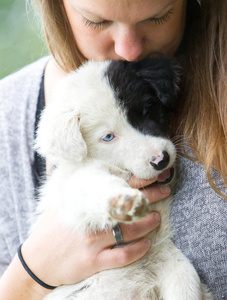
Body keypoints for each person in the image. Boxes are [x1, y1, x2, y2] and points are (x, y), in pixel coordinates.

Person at [0, 0, 226, 299]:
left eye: (159, 16)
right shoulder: (12, 114)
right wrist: (30, 273)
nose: (128, 50)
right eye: (96, 21)